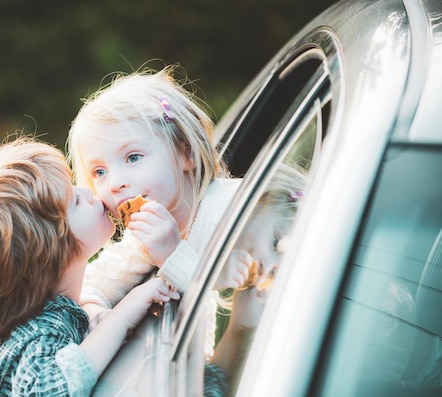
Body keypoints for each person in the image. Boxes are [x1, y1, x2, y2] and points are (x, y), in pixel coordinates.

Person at [0, 136, 179, 396]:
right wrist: (121, 318)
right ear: (52, 256)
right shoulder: (44, 329)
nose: (88, 192)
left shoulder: (13, 323)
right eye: (75, 201)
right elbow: (49, 391)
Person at [66, 65, 249, 356]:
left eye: (133, 156)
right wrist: (95, 312)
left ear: (185, 152)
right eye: (99, 172)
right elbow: (90, 287)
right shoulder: (142, 241)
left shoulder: (238, 206)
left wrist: (172, 254)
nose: (115, 183)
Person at [206, 162, 309, 395]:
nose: (264, 269)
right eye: (275, 242)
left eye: (274, 274)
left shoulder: (213, 294)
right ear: (264, 199)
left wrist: (240, 329)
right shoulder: (196, 216)